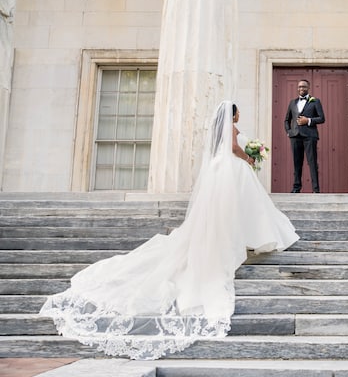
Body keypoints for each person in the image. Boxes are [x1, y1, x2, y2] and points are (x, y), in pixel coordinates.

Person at [39, 101, 299, 360]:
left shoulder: (219, 138)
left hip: (222, 171)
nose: (239, 113)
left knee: (223, 209)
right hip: (232, 169)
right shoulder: (230, 129)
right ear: (232, 114)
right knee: (237, 206)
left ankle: (231, 236)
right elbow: (233, 148)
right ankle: (244, 237)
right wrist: (249, 157)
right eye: (238, 110)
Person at [284, 79, 325, 193]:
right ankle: (296, 188)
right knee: (297, 163)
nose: (301, 89)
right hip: (295, 136)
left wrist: (308, 120)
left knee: (312, 162)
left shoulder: (315, 101)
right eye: (299, 87)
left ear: (308, 88)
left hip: (310, 136)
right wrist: (289, 132)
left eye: (304, 87)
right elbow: (287, 119)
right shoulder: (292, 102)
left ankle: (316, 190)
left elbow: (322, 118)